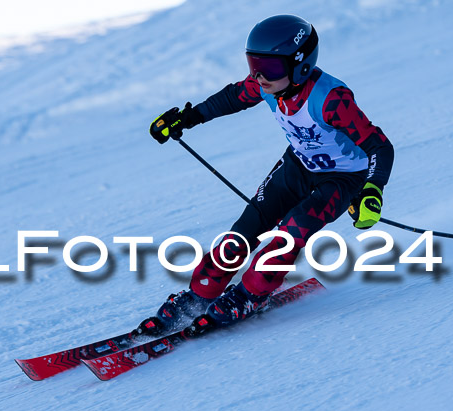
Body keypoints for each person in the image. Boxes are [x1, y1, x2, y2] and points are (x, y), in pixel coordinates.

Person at [141, 14, 394, 336]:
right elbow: (233, 97)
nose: (259, 77)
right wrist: (187, 118)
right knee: (240, 235)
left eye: (270, 68)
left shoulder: (331, 99)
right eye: (253, 65)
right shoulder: (270, 85)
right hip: (297, 167)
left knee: (288, 234)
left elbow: (379, 146)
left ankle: (250, 295)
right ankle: (197, 297)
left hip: (341, 178)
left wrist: (372, 190)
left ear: (300, 64)